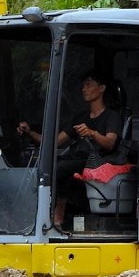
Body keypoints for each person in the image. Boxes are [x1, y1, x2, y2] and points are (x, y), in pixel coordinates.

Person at [17, 70, 122, 230]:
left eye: (88, 85)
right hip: (77, 159)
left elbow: (110, 143)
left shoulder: (111, 116)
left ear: (101, 88)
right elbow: (56, 142)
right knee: (51, 165)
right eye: (83, 86)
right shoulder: (81, 117)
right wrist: (29, 131)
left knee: (61, 168)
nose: (83, 89)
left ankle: (58, 213)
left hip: (99, 160)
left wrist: (92, 133)